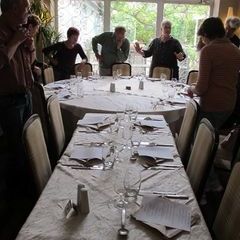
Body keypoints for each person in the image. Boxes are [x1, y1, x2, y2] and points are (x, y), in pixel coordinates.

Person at [0, 0, 32, 223]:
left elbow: (28, 63)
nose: (28, 12)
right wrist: (15, 41)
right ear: (11, 9)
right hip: (9, 99)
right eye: (25, 8)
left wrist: (28, 45)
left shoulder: (18, 31)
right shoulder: (3, 31)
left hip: (24, 94)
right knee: (16, 148)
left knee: (28, 142)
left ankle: (28, 189)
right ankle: (18, 202)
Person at [187, 17, 240, 130]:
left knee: (199, 141)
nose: (202, 40)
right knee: (212, 134)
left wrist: (190, 88)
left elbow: (201, 89)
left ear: (206, 34)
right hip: (229, 104)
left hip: (212, 105)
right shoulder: (235, 50)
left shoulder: (208, 51)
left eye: (202, 37)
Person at [24, 14, 42, 83]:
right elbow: (29, 63)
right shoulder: (26, 40)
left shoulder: (30, 39)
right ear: (30, 27)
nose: (37, 31)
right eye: (37, 28)